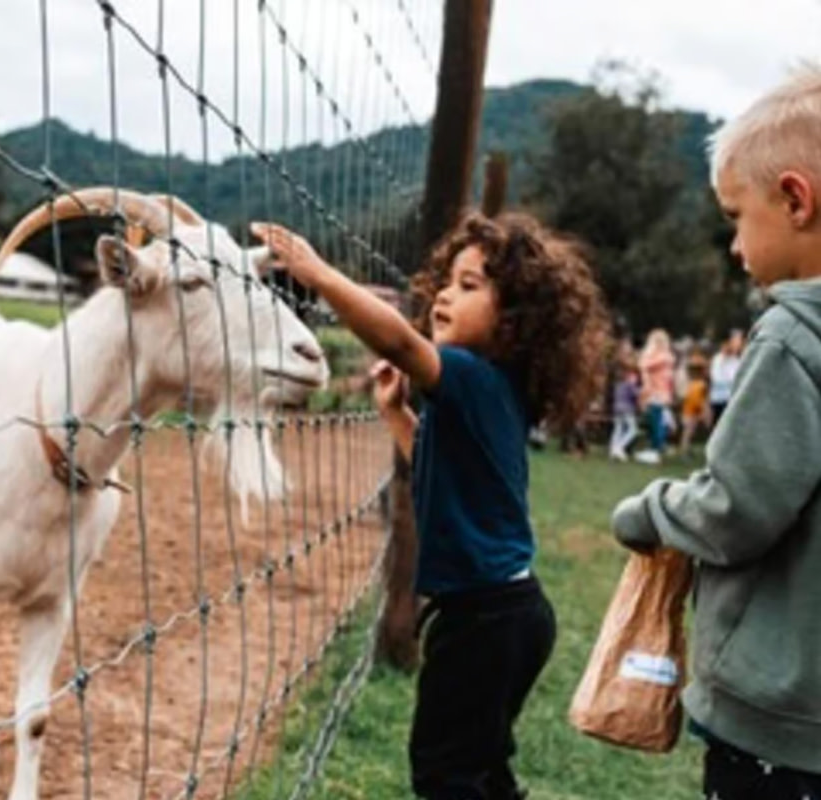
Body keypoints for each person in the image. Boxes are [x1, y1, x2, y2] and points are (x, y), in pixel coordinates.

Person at [254, 212, 610, 800]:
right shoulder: (495, 391)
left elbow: (396, 340)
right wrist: (398, 415)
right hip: (510, 614)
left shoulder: (472, 375)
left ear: (515, 323)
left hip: (483, 620)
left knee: (446, 773)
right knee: (481, 765)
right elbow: (444, 467)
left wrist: (317, 274)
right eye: (447, 280)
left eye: (470, 286)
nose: (445, 293)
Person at [610, 63, 821, 800]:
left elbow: (736, 510)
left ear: (795, 199)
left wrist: (649, 511)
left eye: (736, 216)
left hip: (782, 724)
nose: (735, 246)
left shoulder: (792, 337)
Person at [635, 329, 676, 464]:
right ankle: (657, 447)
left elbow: (643, 365)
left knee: (656, 421)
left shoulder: (663, 357)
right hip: (659, 393)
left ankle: (655, 450)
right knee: (656, 420)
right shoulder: (666, 357)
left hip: (657, 393)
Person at [708, 329, 745, 425]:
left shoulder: (737, 359)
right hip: (721, 399)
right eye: (736, 341)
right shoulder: (719, 359)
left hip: (734, 398)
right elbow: (716, 378)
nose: (739, 344)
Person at [679, 353, 711, 458]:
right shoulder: (700, 384)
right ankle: (685, 451)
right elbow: (701, 401)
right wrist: (704, 412)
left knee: (689, 432)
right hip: (692, 411)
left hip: (690, 411)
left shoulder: (692, 384)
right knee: (688, 432)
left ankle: (686, 450)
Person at [609, 365, 641, 461]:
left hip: (616, 408)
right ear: (629, 377)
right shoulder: (630, 385)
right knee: (633, 430)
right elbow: (636, 394)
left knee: (617, 429)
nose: (636, 379)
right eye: (634, 377)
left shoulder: (618, 385)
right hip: (627, 409)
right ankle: (619, 447)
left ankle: (613, 449)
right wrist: (643, 391)